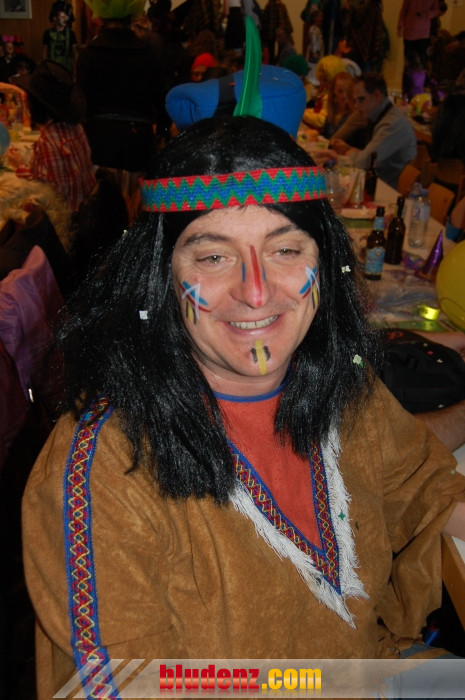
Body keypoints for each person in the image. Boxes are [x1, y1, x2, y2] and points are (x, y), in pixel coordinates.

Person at [22, 112, 465, 698]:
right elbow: (128, 686)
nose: (256, 293)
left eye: (285, 248)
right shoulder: (100, 470)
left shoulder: (336, 384)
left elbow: (419, 480)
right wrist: (319, 684)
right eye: (213, 257)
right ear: (160, 274)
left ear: (323, 261)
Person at [75, 0, 168, 175]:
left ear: (100, 17)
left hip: (99, 138)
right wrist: (162, 133)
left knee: (104, 190)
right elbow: (162, 101)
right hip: (138, 139)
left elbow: (79, 103)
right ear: (133, 17)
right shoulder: (148, 55)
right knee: (136, 192)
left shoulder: (88, 55)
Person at [10, 61, 96, 215]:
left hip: (68, 218)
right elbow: (54, 180)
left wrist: (19, 165)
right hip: (86, 208)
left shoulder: (49, 140)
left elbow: (47, 193)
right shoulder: (76, 127)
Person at [329, 72, 417, 188]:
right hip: (376, 183)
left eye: (361, 99)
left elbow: (364, 162)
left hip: (387, 190)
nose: (356, 106)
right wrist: (351, 150)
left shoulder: (392, 123)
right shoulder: (381, 114)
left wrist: (350, 153)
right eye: (355, 101)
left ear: (376, 95)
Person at [397, 0, 441, 73]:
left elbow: (437, 9)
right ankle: (408, 78)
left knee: (422, 61)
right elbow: (403, 11)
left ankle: (419, 78)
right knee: (409, 60)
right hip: (409, 32)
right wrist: (400, 26)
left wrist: (427, 14)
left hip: (424, 34)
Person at [42, 8, 77, 73]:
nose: (65, 19)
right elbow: (45, 51)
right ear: (55, 18)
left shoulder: (71, 33)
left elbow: (75, 52)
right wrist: (45, 67)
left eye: (65, 16)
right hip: (52, 69)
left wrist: (76, 69)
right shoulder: (47, 33)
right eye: (62, 16)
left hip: (67, 68)